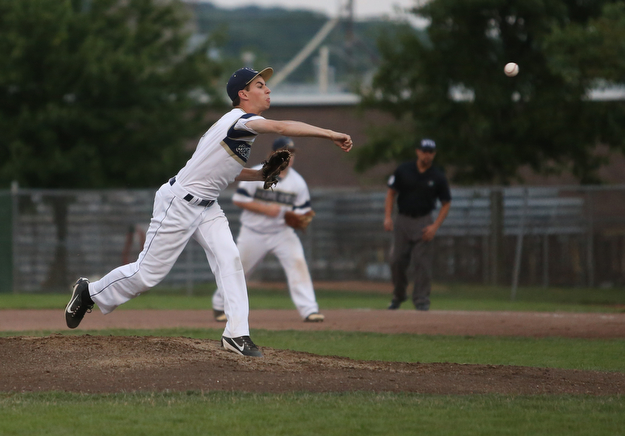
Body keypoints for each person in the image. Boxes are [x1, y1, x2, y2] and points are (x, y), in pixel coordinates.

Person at [64, 66, 353, 357]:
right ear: (243, 94)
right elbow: (281, 128)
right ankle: (90, 291)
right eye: (260, 85)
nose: (267, 90)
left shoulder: (232, 127)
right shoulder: (240, 120)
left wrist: (261, 173)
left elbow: (223, 174)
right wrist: (330, 134)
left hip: (207, 205)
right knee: (147, 275)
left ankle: (237, 334)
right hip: (178, 204)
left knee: (230, 259)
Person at [212, 137, 324, 324]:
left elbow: (303, 211)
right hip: (253, 233)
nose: (289, 157)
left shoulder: (298, 183)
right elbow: (239, 199)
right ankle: (219, 304)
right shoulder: (257, 173)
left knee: (298, 264)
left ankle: (309, 310)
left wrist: (299, 218)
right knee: (238, 269)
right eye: (285, 153)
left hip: (282, 233)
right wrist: (266, 209)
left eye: (292, 154)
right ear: (273, 154)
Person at [384, 138, 451, 311]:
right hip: (403, 220)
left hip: (424, 221)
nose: (427, 155)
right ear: (417, 152)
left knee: (422, 263)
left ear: (434, 154)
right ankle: (398, 295)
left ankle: (421, 300)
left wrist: (435, 226)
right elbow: (391, 193)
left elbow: (446, 203)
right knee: (396, 260)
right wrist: (388, 217)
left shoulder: (438, 176)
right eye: (424, 151)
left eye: (430, 152)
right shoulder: (404, 170)